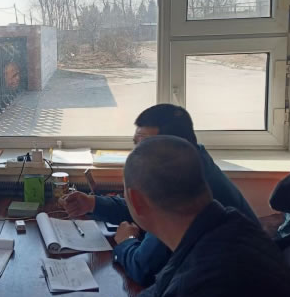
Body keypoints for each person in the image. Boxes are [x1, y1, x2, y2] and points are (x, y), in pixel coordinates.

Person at [43, 136, 290, 297]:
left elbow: (181, 290)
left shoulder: (199, 294)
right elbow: (165, 283)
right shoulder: (225, 225)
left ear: (136, 201)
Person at [60, 104, 258, 286]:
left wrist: (126, 241)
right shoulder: (190, 163)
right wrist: (93, 204)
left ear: (174, 146)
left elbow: (143, 267)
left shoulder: (185, 185)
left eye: (145, 145)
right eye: (136, 144)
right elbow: (143, 207)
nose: (137, 153)